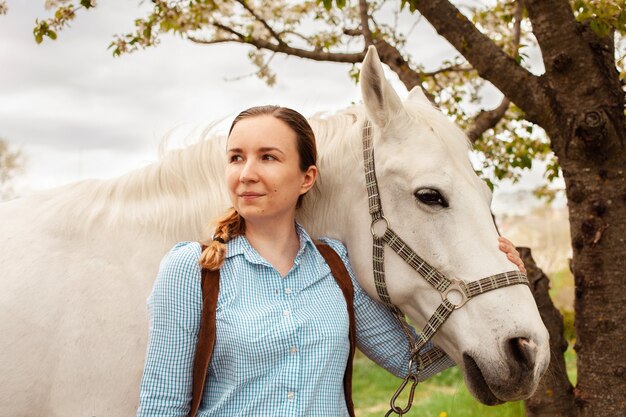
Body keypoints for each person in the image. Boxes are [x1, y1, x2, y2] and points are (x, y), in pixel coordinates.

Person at [136, 105, 526, 416]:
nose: (247, 174)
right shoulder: (193, 269)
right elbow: (162, 407)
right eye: (236, 158)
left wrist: (500, 292)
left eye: (268, 157)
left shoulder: (335, 264)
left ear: (306, 178)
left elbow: (413, 362)